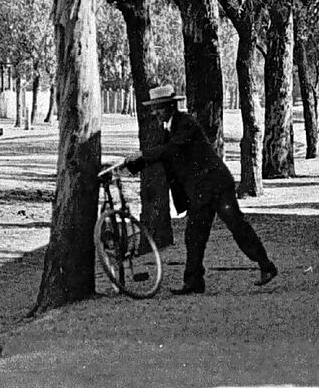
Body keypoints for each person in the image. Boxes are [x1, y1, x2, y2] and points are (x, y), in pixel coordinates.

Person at [109, 85, 278, 295]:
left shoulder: (185, 123)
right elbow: (164, 155)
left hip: (215, 185)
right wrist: (130, 166)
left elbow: (171, 151)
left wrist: (142, 155)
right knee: (194, 234)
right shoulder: (171, 128)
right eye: (154, 108)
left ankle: (265, 266)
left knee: (235, 225)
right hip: (202, 190)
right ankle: (194, 281)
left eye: (158, 108)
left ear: (170, 106)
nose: (155, 112)